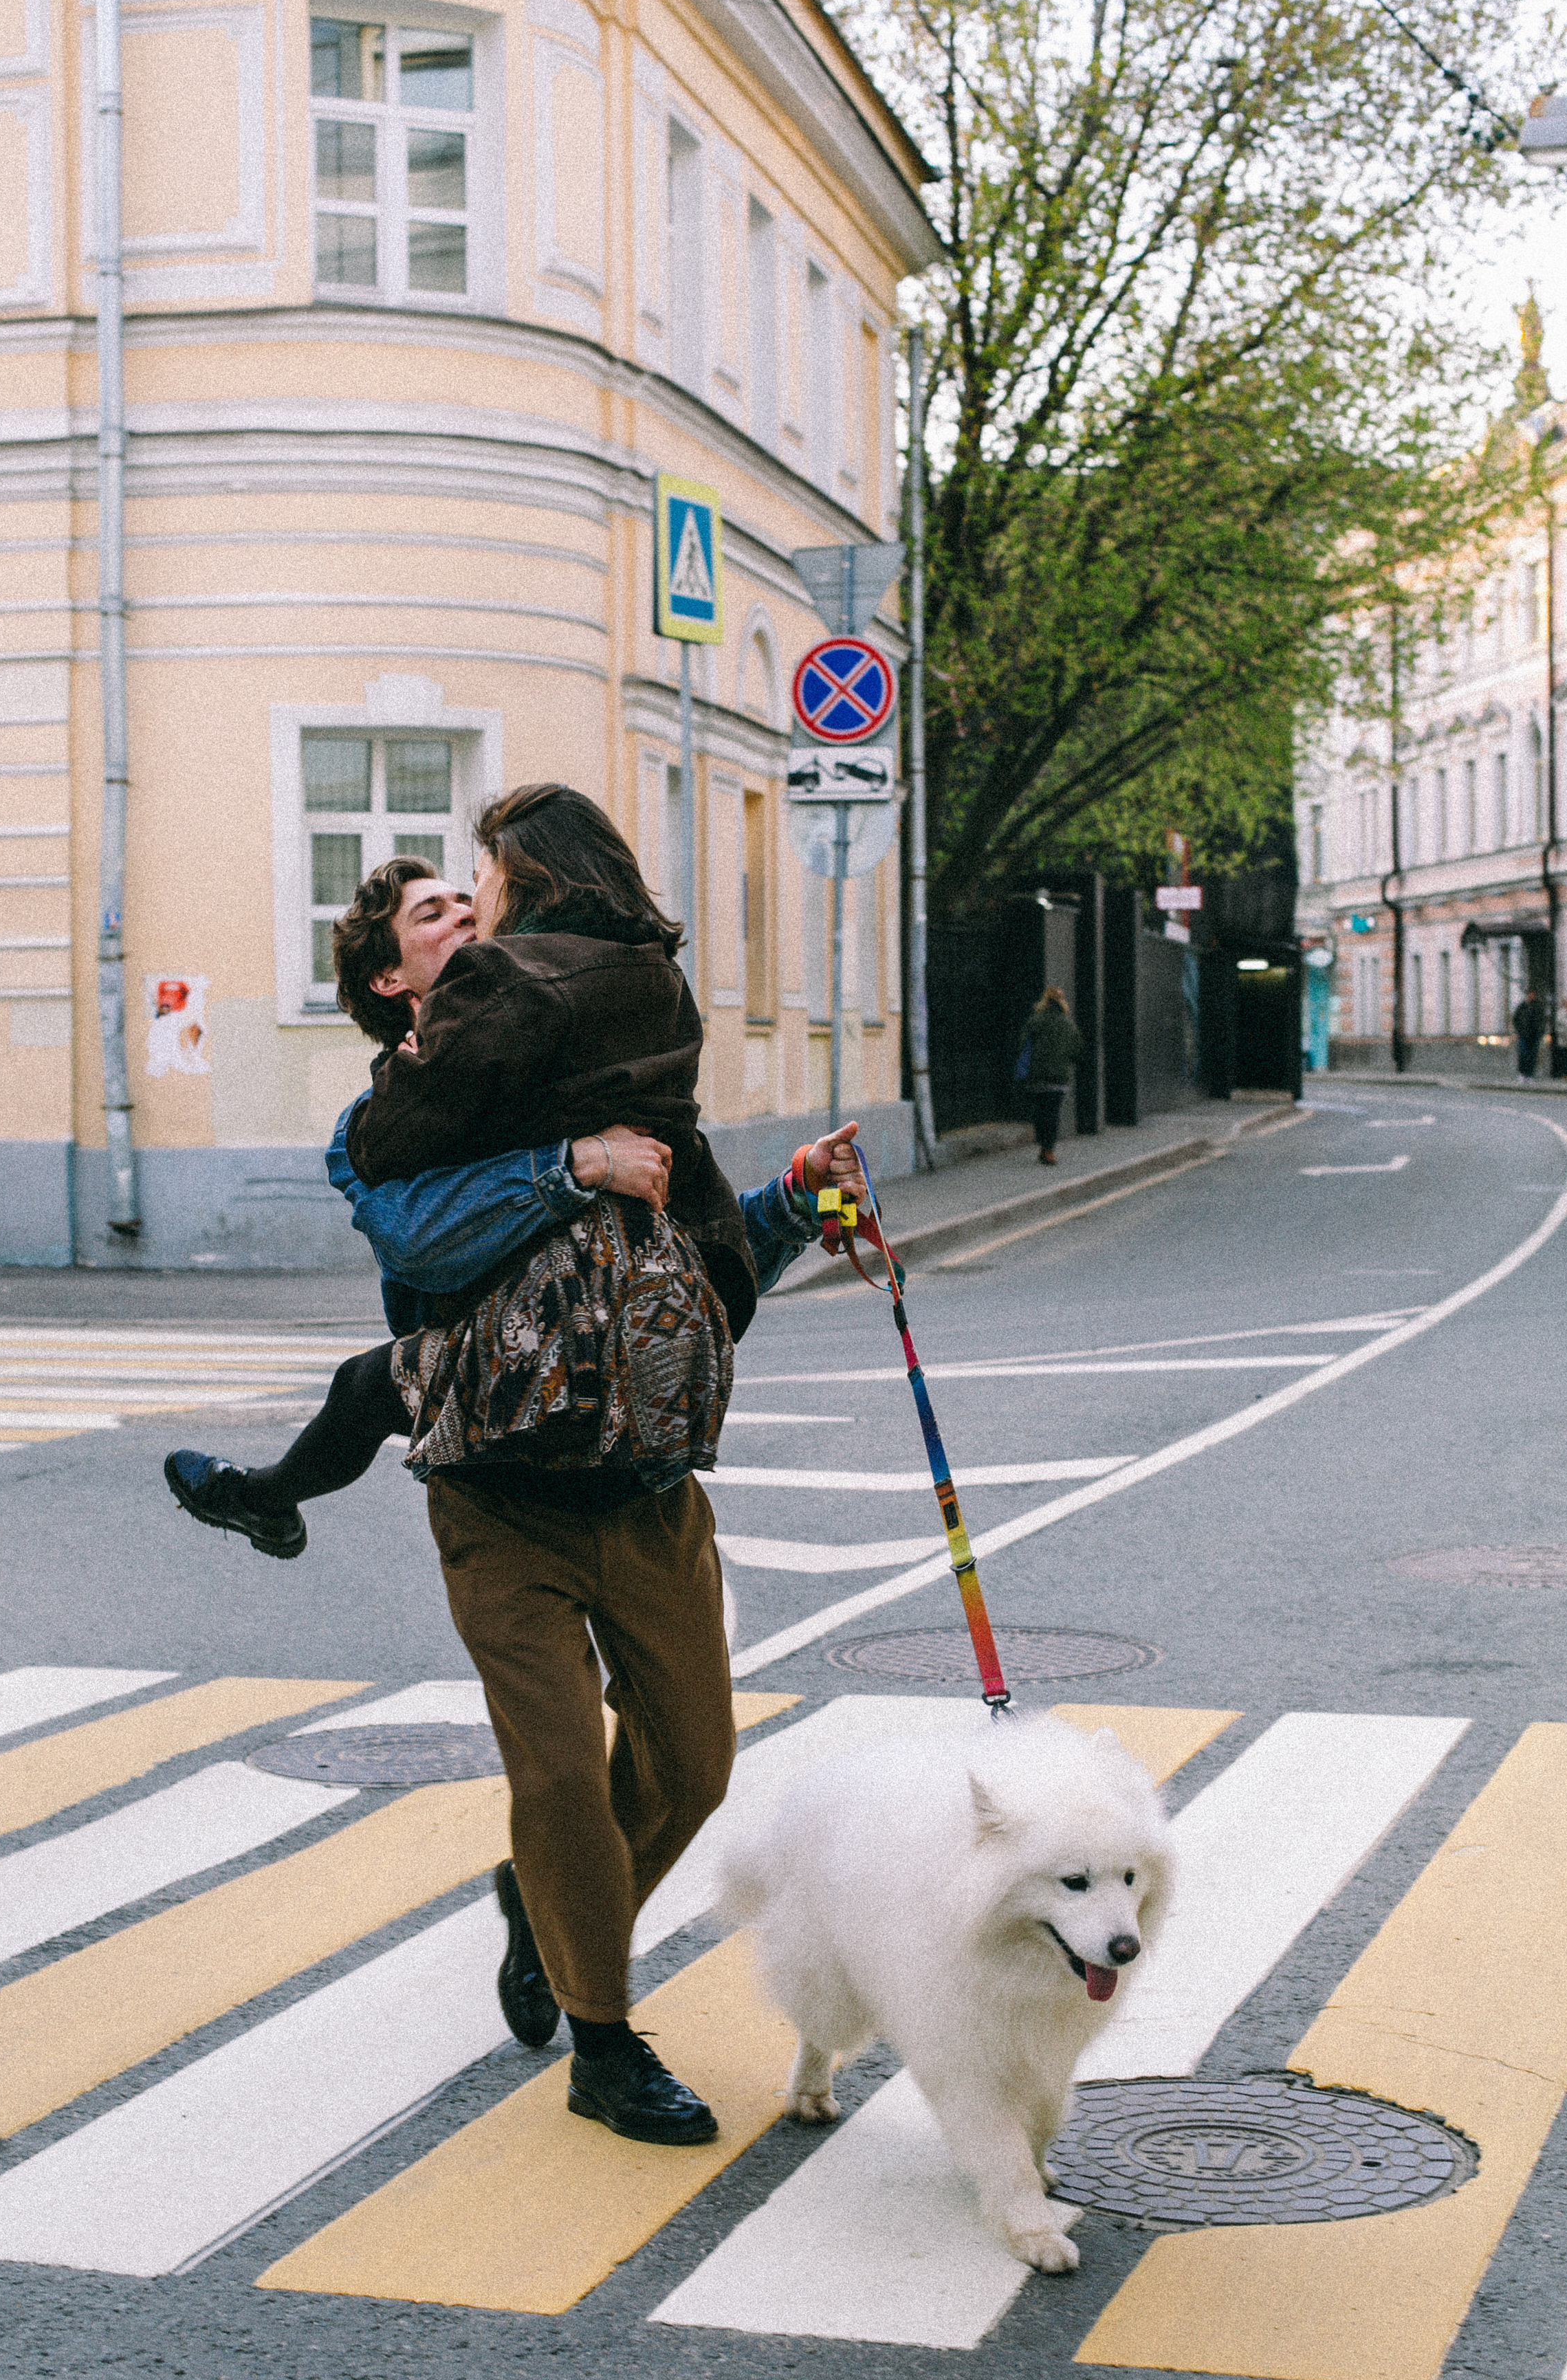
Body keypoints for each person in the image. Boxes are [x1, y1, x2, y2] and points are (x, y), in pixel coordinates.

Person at [165, 826, 863, 2151]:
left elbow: (698, 1267)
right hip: (501, 1496)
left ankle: (543, 1908)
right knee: (557, 1776)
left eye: (470, 898)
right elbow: (424, 1239)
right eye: (436, 919)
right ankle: (605, 2042)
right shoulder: (385, 1129)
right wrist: (572, 1166)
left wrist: (794, 1200)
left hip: (650, 1493)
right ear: (394, 984)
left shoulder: (608, 1070)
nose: (471, 922)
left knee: (693, 1769)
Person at [1018, 983, 1082, 1164]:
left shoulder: (1035, 1021)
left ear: (1045, 1001)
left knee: (1040, 1112)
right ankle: (1048, 1149)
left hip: (1037, 1077)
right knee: (1052, 1113)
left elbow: (1022, 1046)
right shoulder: (1069, 1025)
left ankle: (1043, 1146)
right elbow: (1077, 1051)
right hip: (1059, 1079)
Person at [1513, 986, 1546, 1083]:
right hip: (1523, 1035)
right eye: (1530, 994)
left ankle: (1530, 1075)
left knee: (1532, 1055)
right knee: (1523, 1055)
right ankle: (1522, 1074)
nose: (1531, 996)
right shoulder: (1522, 1007)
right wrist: (1519, 1031)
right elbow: (1516, 1019)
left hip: (1534, 1035)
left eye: (1533, 994)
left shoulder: (1538, 1007)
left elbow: (1542, 1021)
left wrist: (1540, 1032)